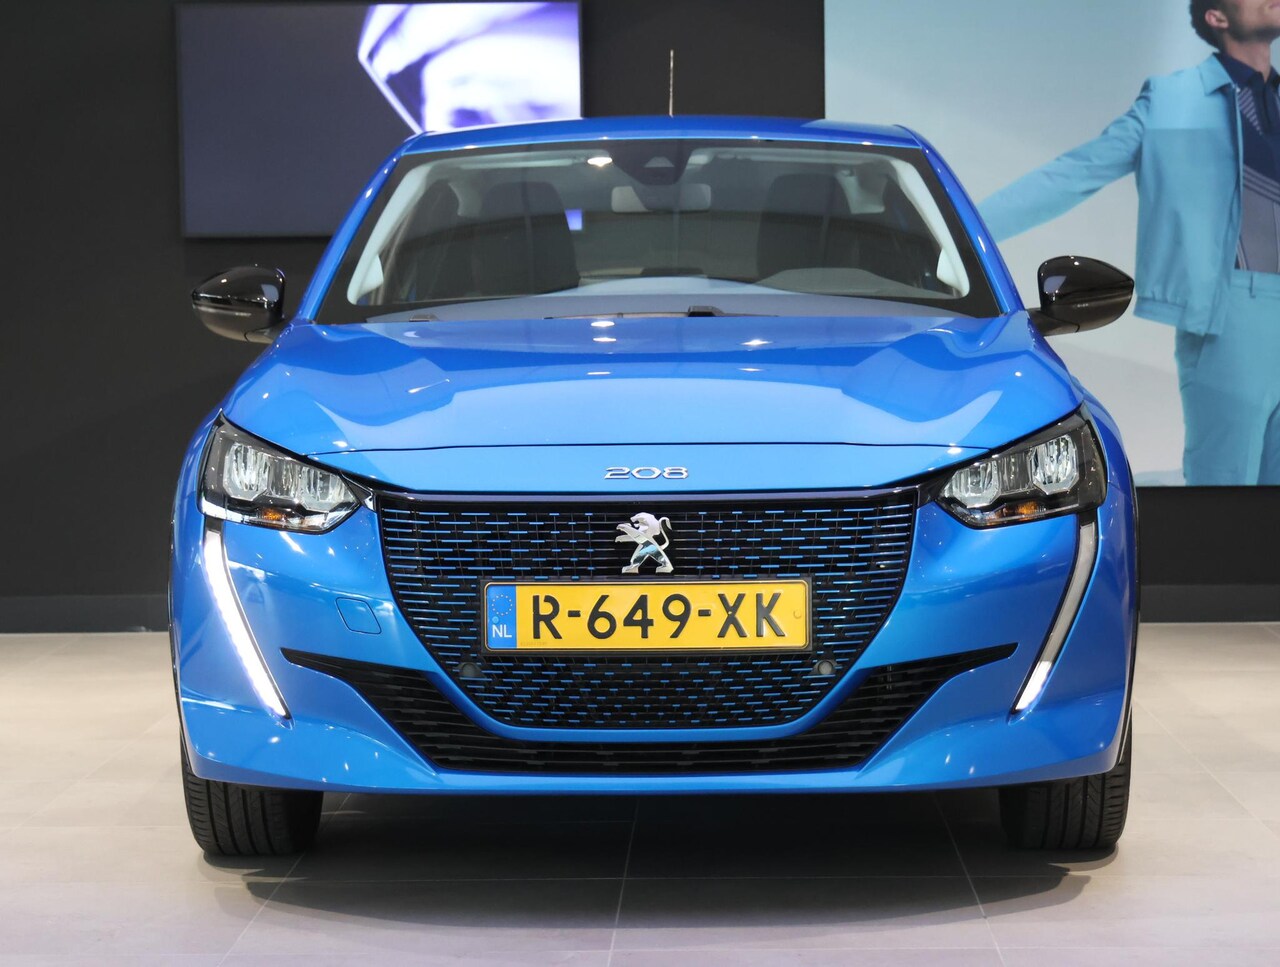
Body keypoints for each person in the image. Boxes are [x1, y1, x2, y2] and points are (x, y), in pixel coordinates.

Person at [979, 0, 1280, 485]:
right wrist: (960, 229)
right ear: (1217, 17)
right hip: (1229, 314)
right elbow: (1073, 174)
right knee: (1227, 490)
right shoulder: (1172, 99)